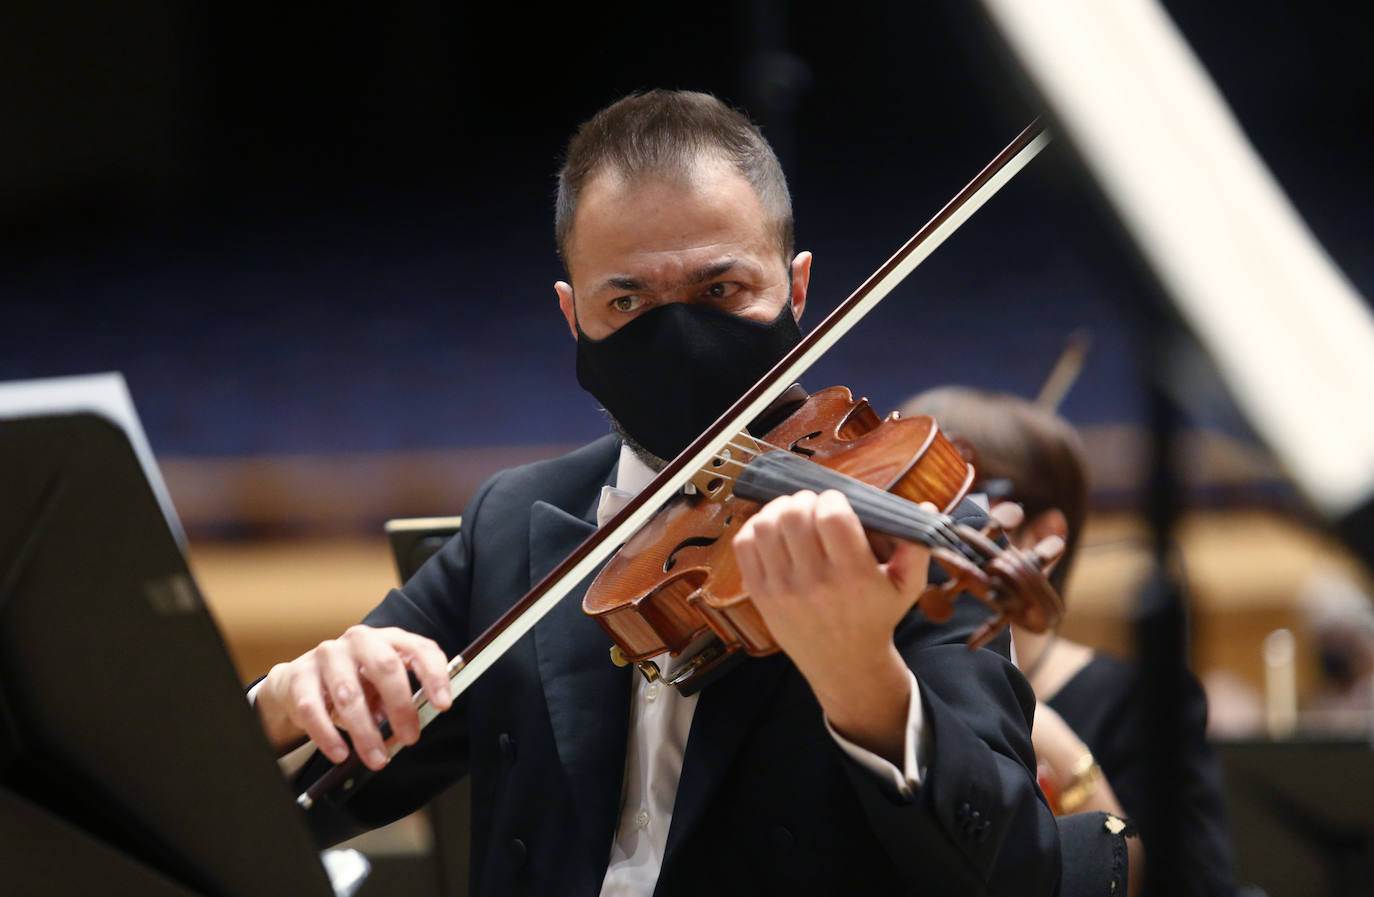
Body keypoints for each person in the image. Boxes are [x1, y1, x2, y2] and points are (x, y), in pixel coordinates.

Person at [252, 91, 1060, 897]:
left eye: (720, 291)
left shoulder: (904, 524)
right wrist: (288, 701)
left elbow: (1019, 872)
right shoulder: (515, 522)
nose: (677, 341)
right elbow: (285, 807)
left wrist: (864, 682)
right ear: (574, 316)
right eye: (628, 301)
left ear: (798, 288)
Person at [900, 385, 1235, 897]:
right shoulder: (882, 690)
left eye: (958, 498)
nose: (913, 523)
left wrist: (1065, 755)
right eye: (898, 493)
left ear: (1041, 541)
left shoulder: (1145, 705)